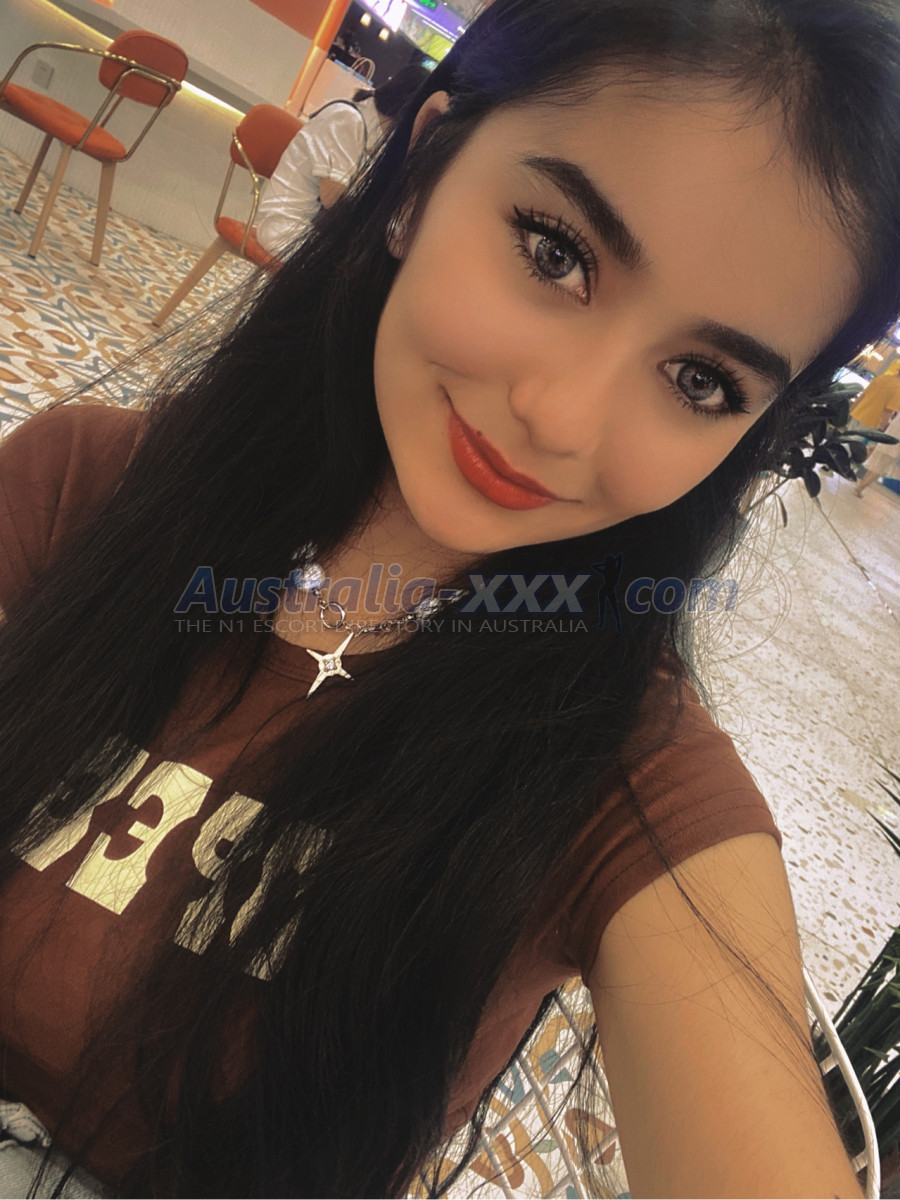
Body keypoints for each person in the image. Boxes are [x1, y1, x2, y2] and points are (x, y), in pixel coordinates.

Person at [1, 0, 899, 1196]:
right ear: (421, 175)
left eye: (701, 378)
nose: (562, 418)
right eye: (556, 253)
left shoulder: (625, 778)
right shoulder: (87, 488)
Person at [254, 64, 431, 256]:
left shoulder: (374, 133)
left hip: (311, 229)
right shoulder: (347, 119)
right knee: (362, 268)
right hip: (287, 225)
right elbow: (333, 199)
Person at [854, 409, 900, 495]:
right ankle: (860, 487)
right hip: (896, 445)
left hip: (888, 437)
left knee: (875, 463)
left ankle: (861, 484)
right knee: (881, 467)